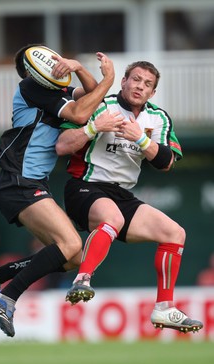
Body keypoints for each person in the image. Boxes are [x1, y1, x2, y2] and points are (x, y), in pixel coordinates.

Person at [0, 44, 119, 337]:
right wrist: (109, 80)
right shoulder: (30, 86)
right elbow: (81, 115)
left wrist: (78, 68)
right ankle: (7, 296)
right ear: (33, 71)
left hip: (30, 184)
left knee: (73, 258)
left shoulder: (54, 93)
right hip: (18, 181)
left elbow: (90, 96)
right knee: (71, 245)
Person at [56, 60, 203, 334]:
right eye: (135, 79)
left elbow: (167, 162)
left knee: (175, 233)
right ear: (123, 81)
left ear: (153, 93)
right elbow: (62, 146)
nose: (140, 86)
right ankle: (83, 280)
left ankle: (164, 308)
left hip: (121, 194)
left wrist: (142, 140)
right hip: (84, 185)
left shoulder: (158, 118)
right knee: (112, 217)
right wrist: (94, 128)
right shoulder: (102, 105)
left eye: (147, 84)